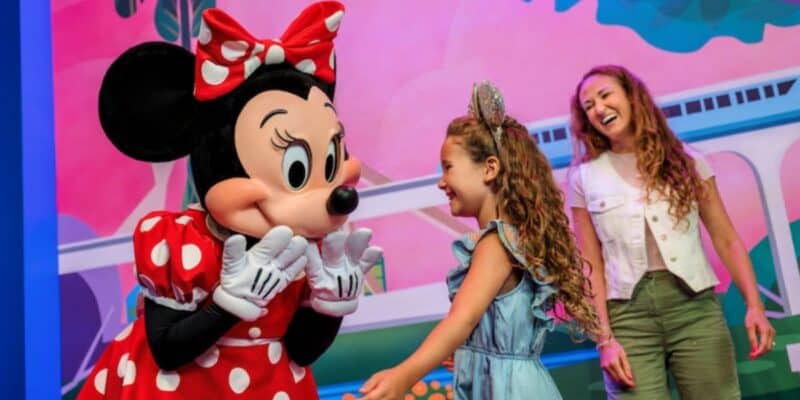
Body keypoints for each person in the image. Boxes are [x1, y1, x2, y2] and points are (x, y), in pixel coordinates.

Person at [77, 2, 381, 399]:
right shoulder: (182, 242)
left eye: (330, 161)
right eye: (296, 172)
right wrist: (227, 305)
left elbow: (302, 350)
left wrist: (329, 306)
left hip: (271, 385)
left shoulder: (309, 248)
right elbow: (167, 349)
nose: (335, 194)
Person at [359, 81, 600, 400]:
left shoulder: (497, 243)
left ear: (489, 169)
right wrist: (473, 354)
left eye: (448, 168)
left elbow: (463, 317)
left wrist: (404, 375)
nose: (442, 182)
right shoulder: (510, 239)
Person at [568, 64, 776, 399]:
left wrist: (755, 306)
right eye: (588, 105)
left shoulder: (688, 162)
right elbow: (589, 266)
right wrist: (604, 339)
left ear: (633, 97)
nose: (598, 109)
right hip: (627, 320)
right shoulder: (583, 179)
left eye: (605, 96)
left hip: (694, 309)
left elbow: (727, 239)